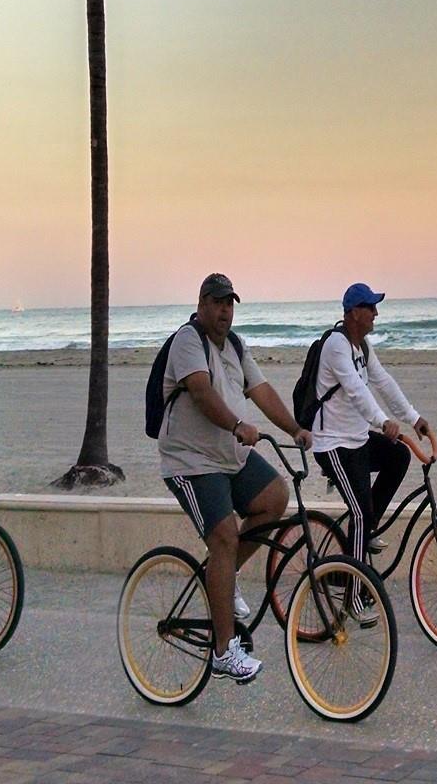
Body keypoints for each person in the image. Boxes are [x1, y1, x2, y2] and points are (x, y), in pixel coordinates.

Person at [159, 273, 312, 684]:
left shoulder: (236, 345)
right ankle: (224, 652)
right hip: (191, 462)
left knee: (274, 498)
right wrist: (237, 425)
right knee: (225, 536)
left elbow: (262, 391)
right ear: (202, 304)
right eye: (218, 302)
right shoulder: (188, 341)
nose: (225, 311)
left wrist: (294, 428)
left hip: (230, 457)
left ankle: (227, 577)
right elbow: (201, 392)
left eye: (230, 304)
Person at [310, 283, 434, 620]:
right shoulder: (336, 345)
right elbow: (355, 390)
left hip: (358, 439)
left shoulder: (362, 346)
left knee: (399, 456)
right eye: (370, 307)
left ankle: (365, 535)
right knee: (360, 513)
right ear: (353, 313)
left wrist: (413, 418)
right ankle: (352, 599)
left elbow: (383, 382)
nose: (376, 313)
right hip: (332, 444)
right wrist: (383, 421)